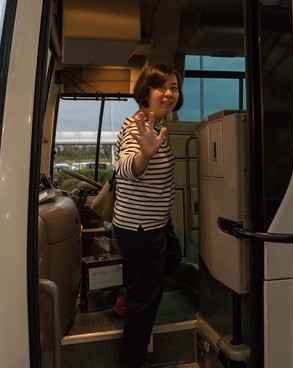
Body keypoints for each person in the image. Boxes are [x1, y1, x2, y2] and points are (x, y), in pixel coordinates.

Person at [113, 64, 184, 368]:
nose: (169, 94)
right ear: (145, 92)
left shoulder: (152, 124)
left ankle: (129, 292)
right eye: (162, 87)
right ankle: (132, 361)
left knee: (174, 256)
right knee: (146, 302)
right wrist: (144, 156)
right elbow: (125, 168)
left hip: (153, 222)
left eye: (175, 88)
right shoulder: (138, 128)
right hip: (141, 228)